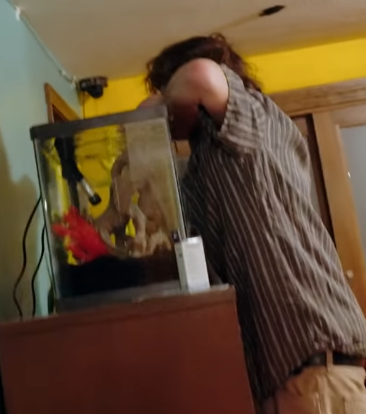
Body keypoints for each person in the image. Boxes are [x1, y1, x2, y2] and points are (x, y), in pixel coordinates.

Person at [143, 33, 366, 414]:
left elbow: (200, 75)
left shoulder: (250, 118)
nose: (167, 103)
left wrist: (157, 107)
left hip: (315, 374)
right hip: (282, 380)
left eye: (167, 89)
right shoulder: (204, 164)